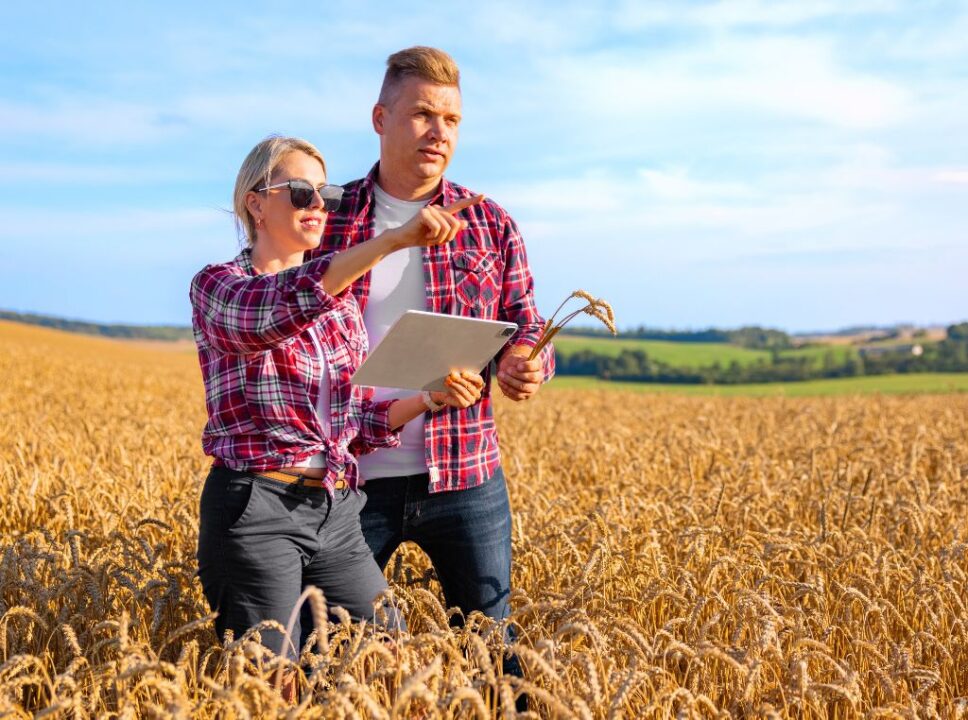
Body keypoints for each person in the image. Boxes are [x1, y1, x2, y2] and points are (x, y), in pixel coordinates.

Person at [190, 135, 485, 673]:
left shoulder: (341, 306)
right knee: (271, 683)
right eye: (302, 192)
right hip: (257, 508)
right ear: (255, 202)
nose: (319, 205)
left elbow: (353, 423)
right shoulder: (219, 287)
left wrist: (426, 398)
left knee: (387, 661)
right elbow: (277, 309)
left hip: (337, 510)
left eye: (325, 192)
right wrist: (393, 241)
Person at [307, 47, 555, 662]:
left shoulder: (491, 222)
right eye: (422, 114)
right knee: (335, 658)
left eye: (452, 120)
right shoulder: (327, 221)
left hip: (467, 474)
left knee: (493, 657)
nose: (439, 132)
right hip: (351, 480)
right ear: (379, 118)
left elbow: (525, 319)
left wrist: (528, 361)